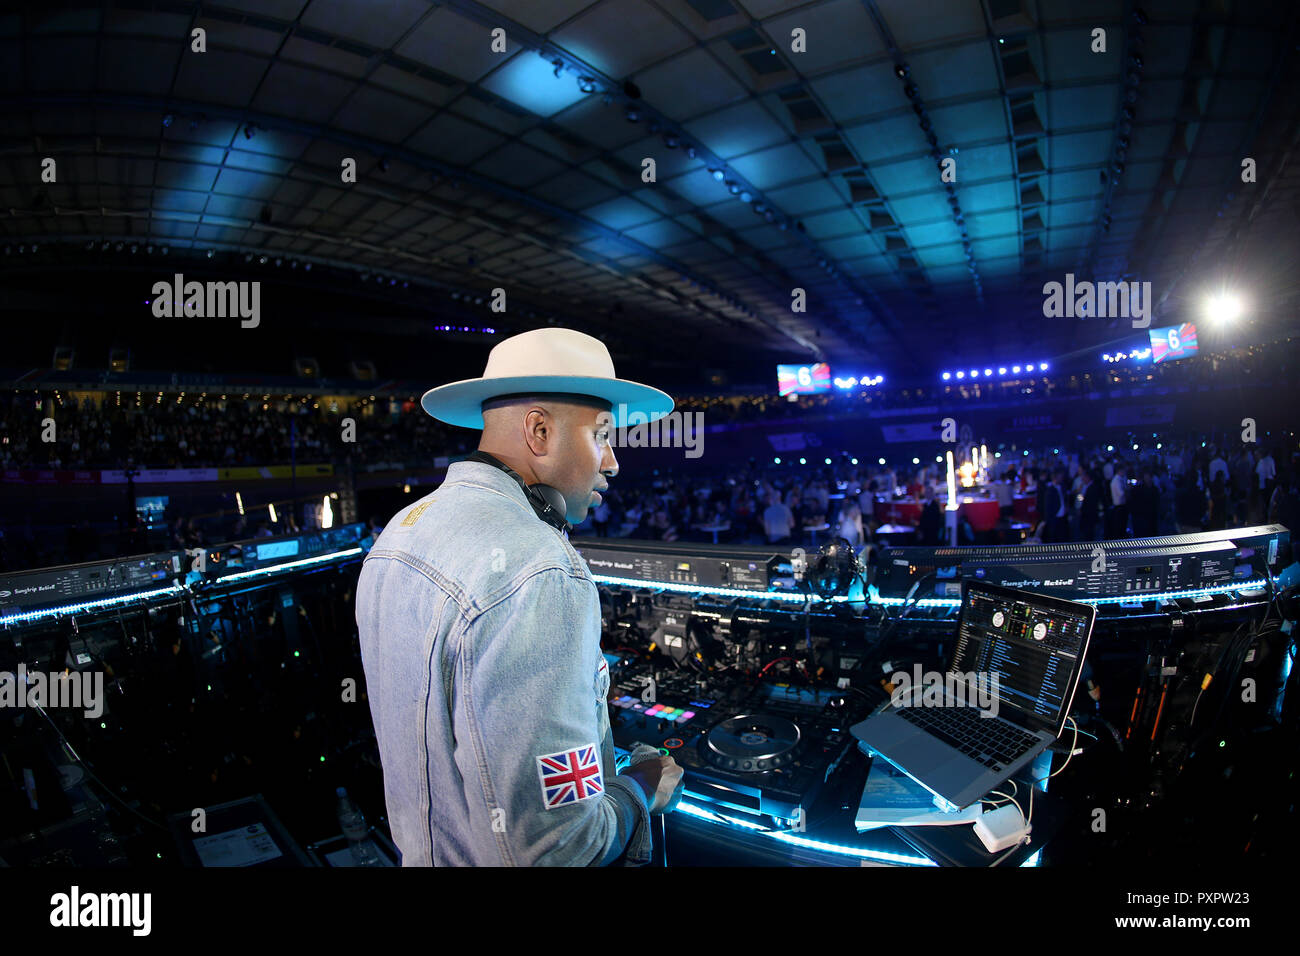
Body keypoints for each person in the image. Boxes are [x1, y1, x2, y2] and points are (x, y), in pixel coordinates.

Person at [355, 328, 682, 866]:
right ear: (538, 431)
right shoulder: (538, 569)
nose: (613, 461)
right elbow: (556, 849)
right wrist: (641, 787)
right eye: (601, 434)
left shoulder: (397, 533)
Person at [1077, 469, 1104, 541]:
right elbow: (1081, 499)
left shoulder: (1093, 488)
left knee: (1090, 535)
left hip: (1090, 516)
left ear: (1088, 477)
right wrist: (1079, 493)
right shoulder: (1084, 487)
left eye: (1084, 477)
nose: (1082, 479)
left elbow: (1091, 503)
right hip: (1085, 515)